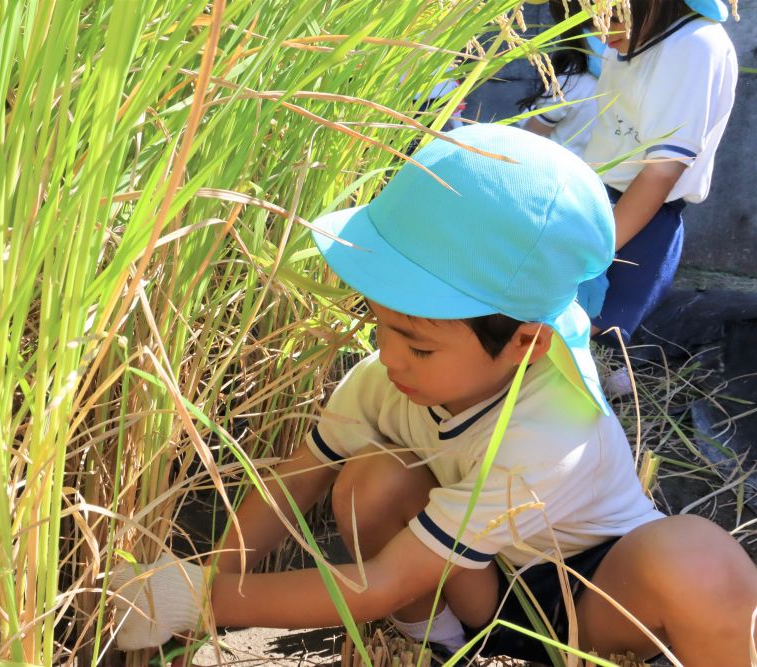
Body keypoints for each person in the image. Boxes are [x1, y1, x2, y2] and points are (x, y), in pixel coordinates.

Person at [108, 124, 757, 666]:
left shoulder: (551, 430)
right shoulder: (380, 382)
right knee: (371, 480)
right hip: (474, 587)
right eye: (381, 324)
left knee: (698, 562)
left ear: (525, 344)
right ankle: (436, 647)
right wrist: (209, 579)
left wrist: (199, 599)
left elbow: (378, 583)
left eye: (418, 345)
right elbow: (294, 483)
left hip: (588, 600)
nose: (389, 358)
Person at [580, 0, 738, 346]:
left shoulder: (695, 44)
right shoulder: (630, 41)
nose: (599, 29)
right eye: (589, 19)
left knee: (585, 341)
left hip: (636, 218)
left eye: (610, 14)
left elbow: (661, 171)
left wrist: (593, 256)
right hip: (595, 205)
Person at [520, 0, 604, 157]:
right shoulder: (624, 76)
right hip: (595, 175)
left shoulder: (571, 81)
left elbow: (529, 137)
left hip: (555, 171)